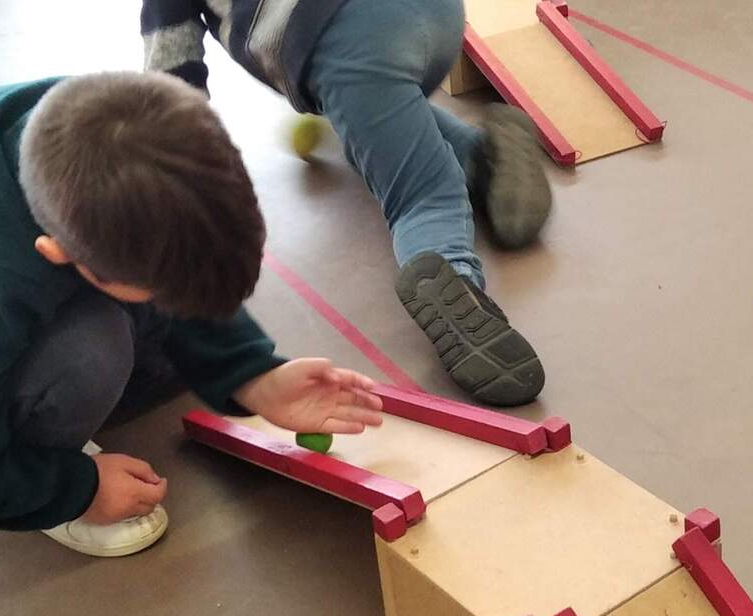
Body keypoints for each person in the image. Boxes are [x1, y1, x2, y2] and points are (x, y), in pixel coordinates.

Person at [0, 72, 383, 557]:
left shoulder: (118, 134)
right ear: (58, 253)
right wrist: (76, 490)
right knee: (94, 351)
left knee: (164, 339)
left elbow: (178, 271)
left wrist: (254, 376)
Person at [142, 0, 552, 406]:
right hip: (440, 17)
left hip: (349, 41)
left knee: (422, 193)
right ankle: (480, 154)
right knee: (379, 121)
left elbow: (172, 93)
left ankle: (455, 276)